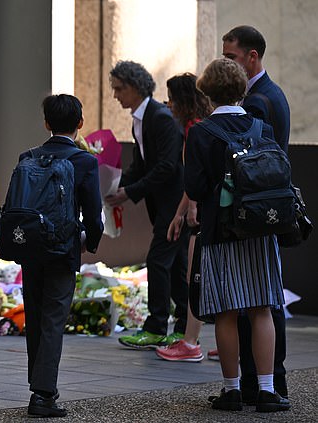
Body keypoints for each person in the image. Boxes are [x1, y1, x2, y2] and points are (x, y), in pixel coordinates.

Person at [185, 57, 290, 412]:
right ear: (242, 89)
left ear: (208, 92)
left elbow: (196, 186)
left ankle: (231, 390)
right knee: (262, 308)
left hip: (220, 230)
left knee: (227, 313)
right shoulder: (262, 128)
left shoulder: (201, 133)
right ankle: (266, 389)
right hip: (261, 229)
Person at [19, 94, 103, 417]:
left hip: (31, 247)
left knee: (36, 318)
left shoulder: (28, 157)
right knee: (54, 319)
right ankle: (42, 394)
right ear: (80, 124)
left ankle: (41, 385)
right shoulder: (84, 162)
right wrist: (89, 240)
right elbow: (94, 214)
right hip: (64, 248)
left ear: (46, 124)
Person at [222, 25, 291, 400]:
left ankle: (265, 381)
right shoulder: (267, 94)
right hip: (264, 210)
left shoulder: (260, 100)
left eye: (230, 57)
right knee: (261, 299)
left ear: (252, 57)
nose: (226, 63)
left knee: (261, 300)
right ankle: (262, 382)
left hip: (258, 211)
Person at [105, 60, 189, 349]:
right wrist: (116, 186)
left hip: (174, 204)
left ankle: (156, 326)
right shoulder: (141, 119)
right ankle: (183, 326)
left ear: (134, 87)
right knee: (175, 264)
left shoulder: (160, 117)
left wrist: (129, 192)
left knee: (158, 260)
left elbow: (167, 166)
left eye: (118, 89)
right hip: (165, 204)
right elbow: (142, 164)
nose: (115, 95)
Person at [155, 73, 213, 362]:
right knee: (202, 275)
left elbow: (193, 178)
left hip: (202, 212)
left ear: (183, 100)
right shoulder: (205, 123)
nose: (168, 104)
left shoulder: (194, 129)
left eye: (172, 98)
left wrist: (185, 212)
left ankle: (190, 342)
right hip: (208, 208)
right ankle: (220, 339)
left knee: (195, 275)